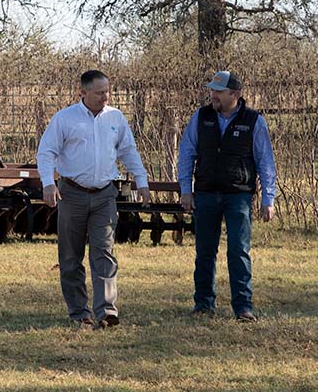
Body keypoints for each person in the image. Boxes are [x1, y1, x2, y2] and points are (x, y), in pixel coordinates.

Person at [38, 70, 152, 330]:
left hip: (104, 195)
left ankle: (107, 312)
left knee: (104, 253)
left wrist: (142, 182)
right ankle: (80, 312)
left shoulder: (115, 118)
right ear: (83, 92)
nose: (105, 96)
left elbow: (128, 151)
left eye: (107, 91)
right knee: (70, 256)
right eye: (100, 92)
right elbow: (46, 152)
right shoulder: (65, 119)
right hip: (72, 194)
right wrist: (48, 183)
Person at [177, 71, 277, 321]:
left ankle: (243, 307)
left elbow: (265, 161)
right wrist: (186, 190)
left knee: (239, 251)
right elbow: (187, 153)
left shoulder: (254, 121)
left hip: (238, 196)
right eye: (212, 90)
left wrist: (268, 199)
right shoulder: (201, 117)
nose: (213, 95)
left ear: (235, 94)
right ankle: (203, 304)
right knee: (204, 251)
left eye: (218, 92)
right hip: (206, 193)